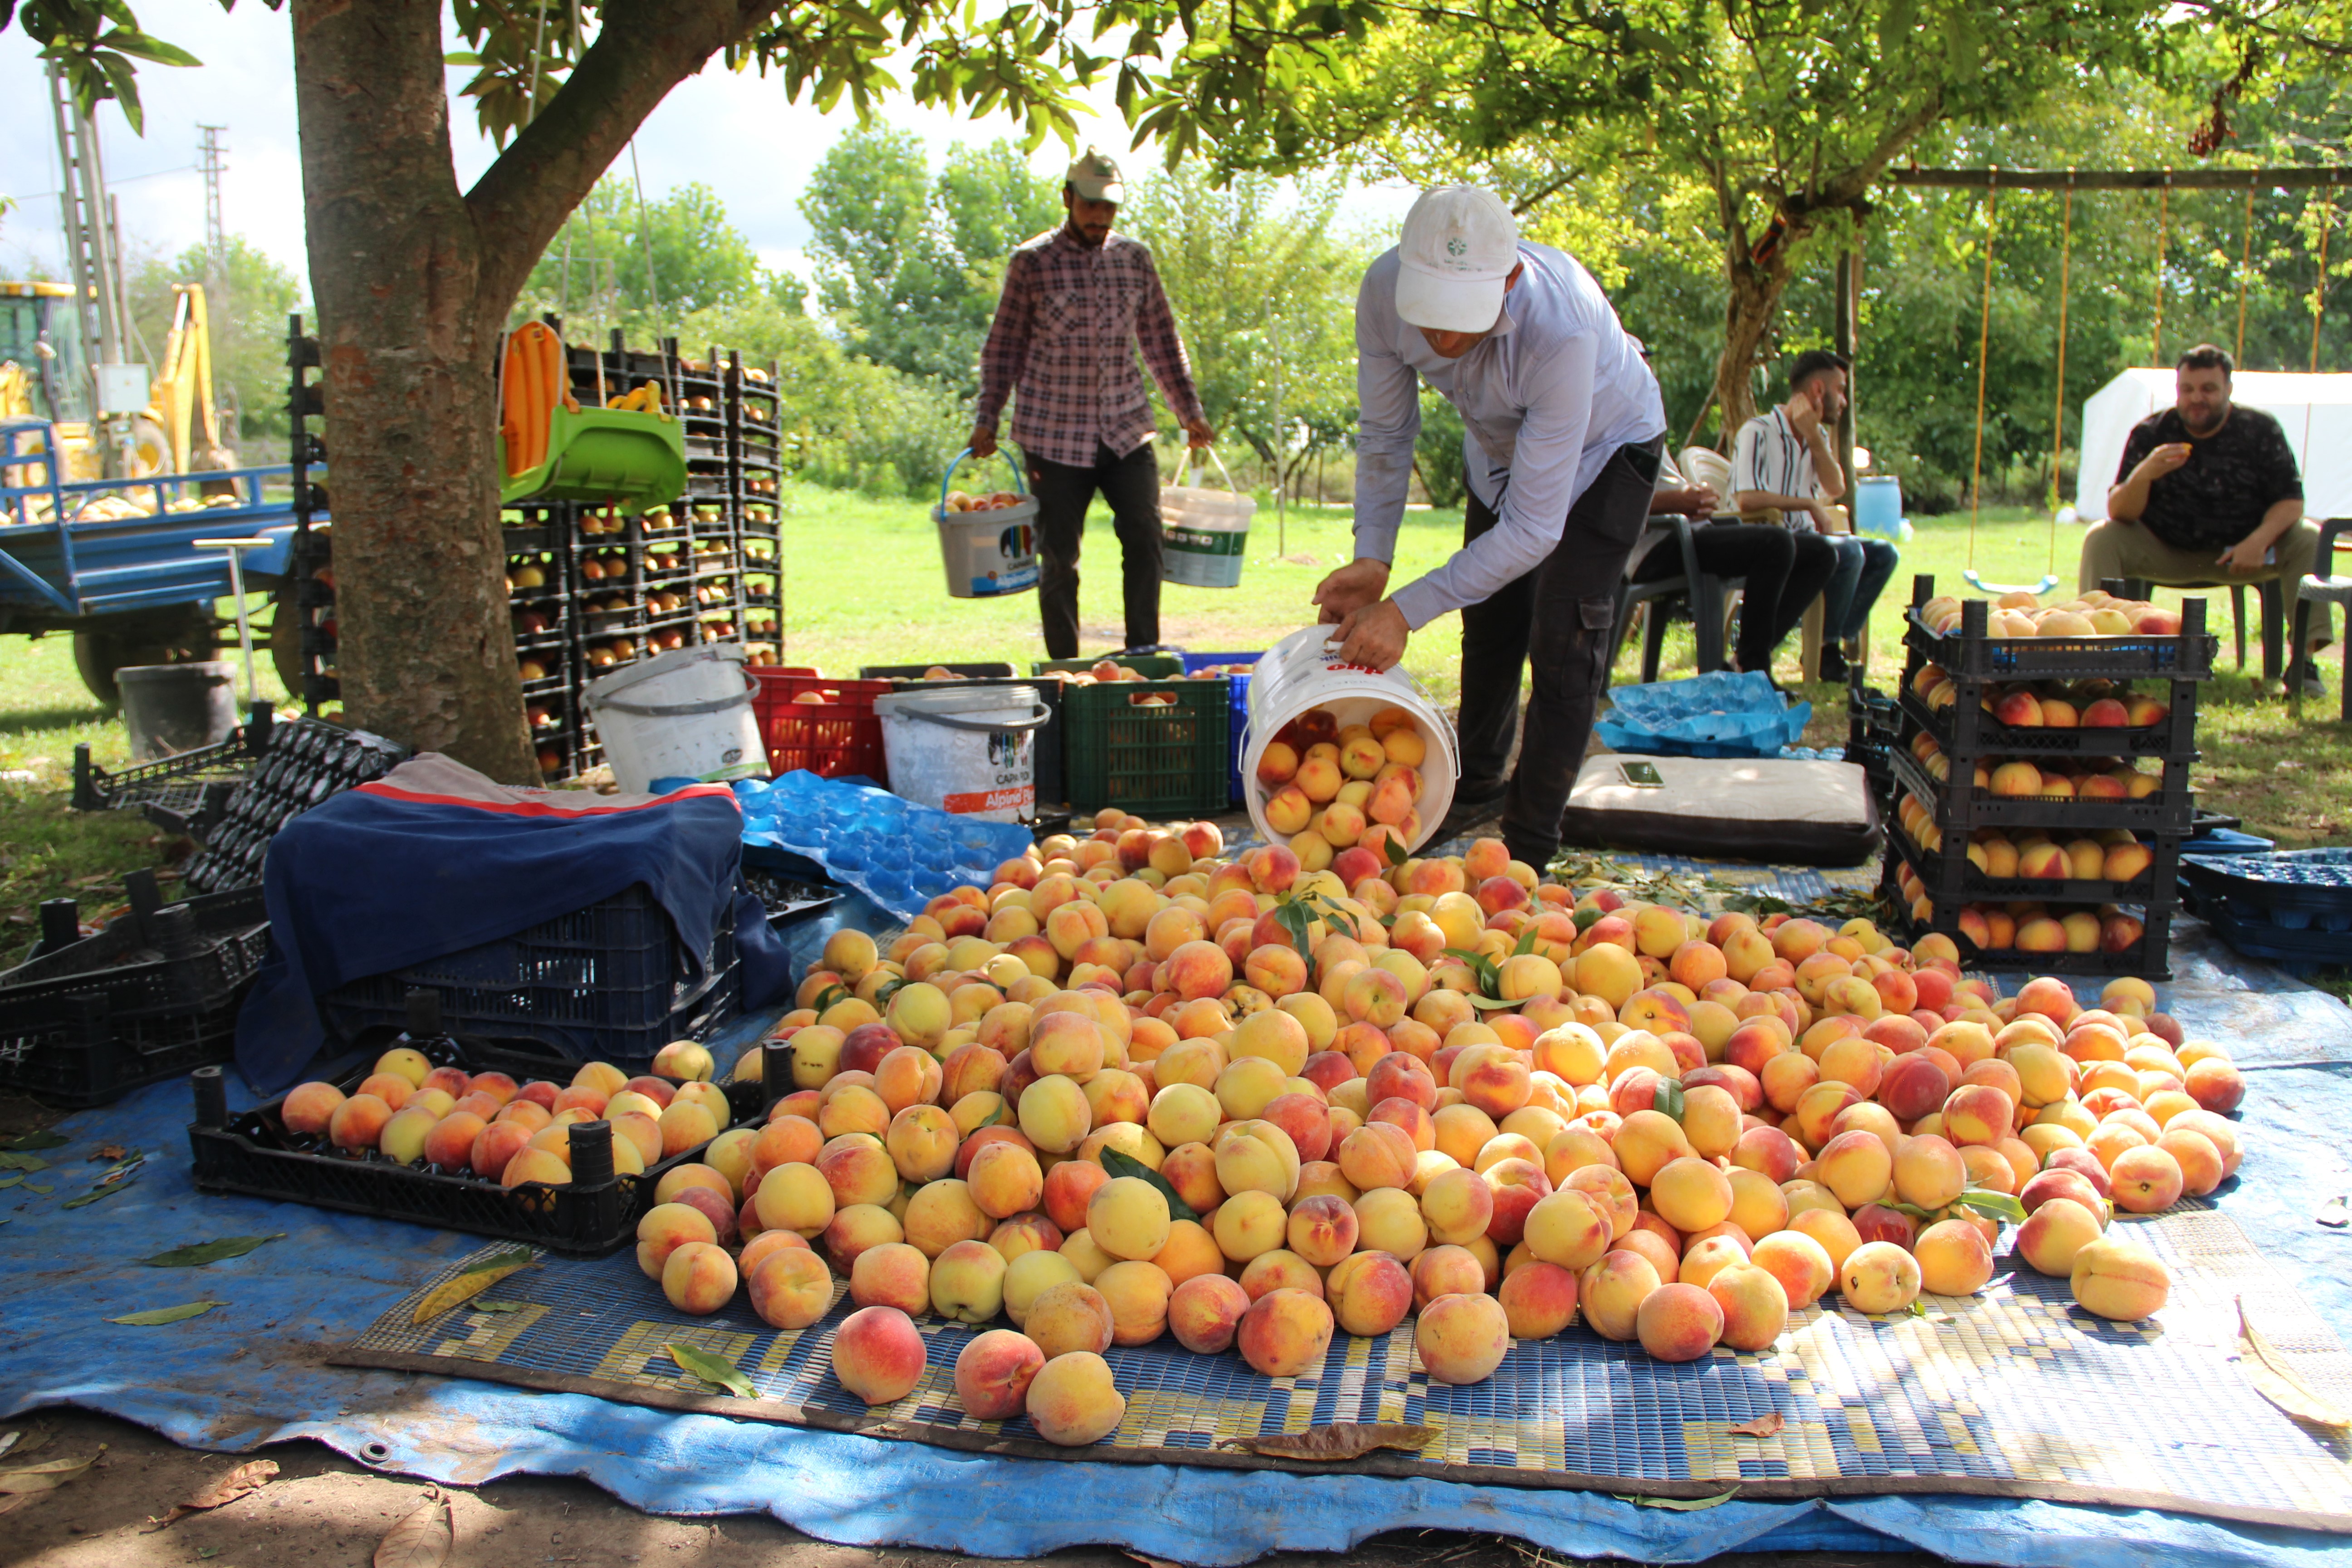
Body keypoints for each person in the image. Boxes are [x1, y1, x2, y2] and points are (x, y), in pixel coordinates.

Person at [1313, 186, 1667, 868]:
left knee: (1566, 637)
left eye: (1461, 317)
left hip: (1610, 447)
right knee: (1492, 617)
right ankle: (1477, 789)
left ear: (1508, 280)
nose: (1443, 338)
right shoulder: (1381, 292)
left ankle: (1531, 845)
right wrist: (1373, 561)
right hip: (1501, 449)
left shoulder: (1559, 330)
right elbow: (1386, 433)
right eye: (1431, 316)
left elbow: (1536, 530)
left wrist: (1405, 610)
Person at [971, 147, 1215, 660]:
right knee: (1059, 558)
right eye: (1090, 207)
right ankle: (1065, 668)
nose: (1100, 218)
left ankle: (1143, 654)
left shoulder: (1134, 259)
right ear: (1068, 199)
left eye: (1108, 209)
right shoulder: (1032, 263)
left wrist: (1189, 411)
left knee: (1147, 539)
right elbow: (1004, 346)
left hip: (1126, 429)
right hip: (1053, 436)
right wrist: (987, 417)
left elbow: (1161, 340)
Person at [2081, 344, 2324, 695]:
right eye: (2187, 390)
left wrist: (2257, 541)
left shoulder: (2259, 429)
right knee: (2101, 537)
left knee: (2307, 537)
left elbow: (2291, 501)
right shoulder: (2152, 433)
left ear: (2228, 389)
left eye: (2208, 389)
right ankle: (2100, 663)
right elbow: (2120, 512)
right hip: (2168, 549)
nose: (2197, 399)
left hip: (2243, 552)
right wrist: (2143, 475)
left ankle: (2304, 662)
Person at [1729, 349, 1896, 682]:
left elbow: (1835, 487)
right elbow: (1747, 498)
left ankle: (1826, 642)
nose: (1845, 401)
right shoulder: (1758, 431)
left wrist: (1815, 440)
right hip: (1769, 541)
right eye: (1841, 389)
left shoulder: (1814, 437)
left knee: (1883, 554)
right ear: (1819, 391)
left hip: (1810, 539)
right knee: (1847, 552)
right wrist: (1807, 504)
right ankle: (1826, 651)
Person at [1629, 450, 1840, 683]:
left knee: (1820, 554)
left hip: (1691, 531)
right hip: (1654, 546)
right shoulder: (1617, 422)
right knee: (1775, 543)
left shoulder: (1651, 421)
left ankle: (1741, 662)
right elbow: (1606, 499)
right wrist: (1679, 502)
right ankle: (1754, 669)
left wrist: (1698, 501)